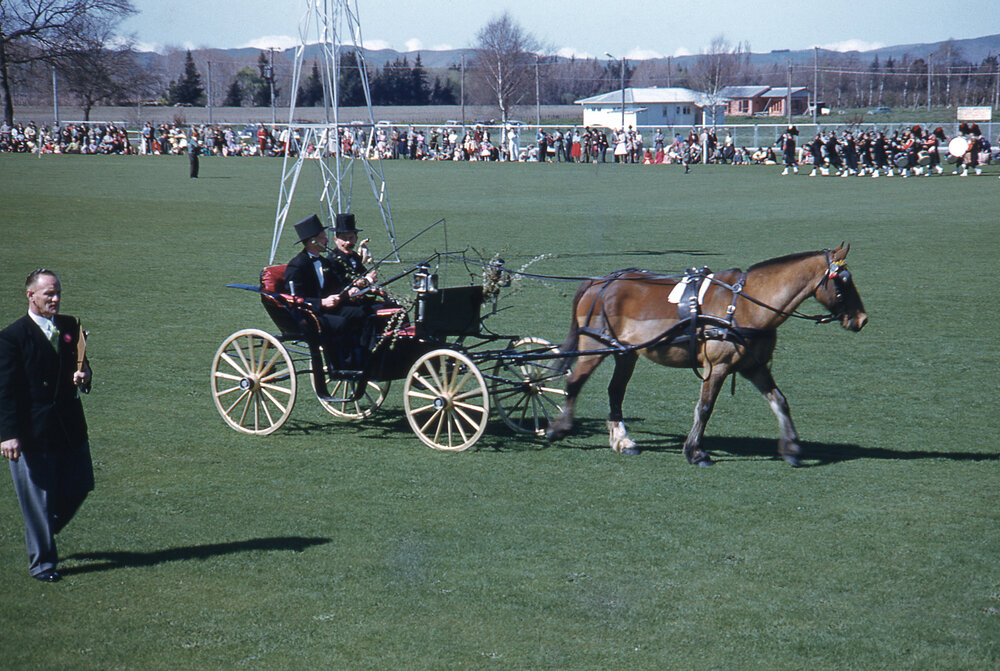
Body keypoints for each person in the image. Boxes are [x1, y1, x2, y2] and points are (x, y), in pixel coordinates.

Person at [1, 269, 93, 583]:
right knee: (38, 500)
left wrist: (84, 375)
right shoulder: (12, 338)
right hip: (32, 433)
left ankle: (40, 529)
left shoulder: (68, 326)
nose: (55, 299)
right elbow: (5, 390)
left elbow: (80, 360)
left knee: (81, 484)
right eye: (48, 295)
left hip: (69, 427)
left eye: (57, 293)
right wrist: (8, 435)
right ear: (30, 296)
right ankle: (43, 565)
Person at [284, 214, 376, 369]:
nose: (326, 241)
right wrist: (321, 302)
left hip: (329, 309)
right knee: (341, 323)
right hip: (310, 313)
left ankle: (363, 356)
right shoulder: (297, 265)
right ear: (313, 241)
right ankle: (341, 364)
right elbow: (295, 298)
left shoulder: (325, 262)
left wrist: (351, 291)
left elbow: (337, 286)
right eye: (323, 237)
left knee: (363, 313)